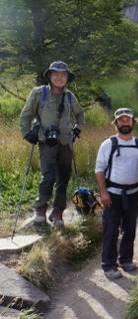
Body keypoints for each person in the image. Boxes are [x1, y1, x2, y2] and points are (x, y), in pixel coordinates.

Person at [19, 61, 85, 227]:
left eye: (63, 75)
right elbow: (25, 115)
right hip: (46, 142)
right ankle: (40, 209)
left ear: (67, 78)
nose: (59, 78)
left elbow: (80, 114)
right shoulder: (38, 93)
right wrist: (27, 133)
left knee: (63, 178)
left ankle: (58, 212)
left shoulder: (70, 96)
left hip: (66, 142)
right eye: (55, 74)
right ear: (49, 76)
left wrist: (77, 129)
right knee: (47, 176)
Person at [95, 108, 138, 280]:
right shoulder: (108, 144)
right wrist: (103, 192)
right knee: (110, 230)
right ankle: (109, 265)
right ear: (116, 123)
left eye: (128, 120)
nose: (125, 122)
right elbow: (99, 169)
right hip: (112, 194)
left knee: (130, 229)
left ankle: (126, 260)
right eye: (121, 120)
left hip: (133, 193)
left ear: (133, 122)